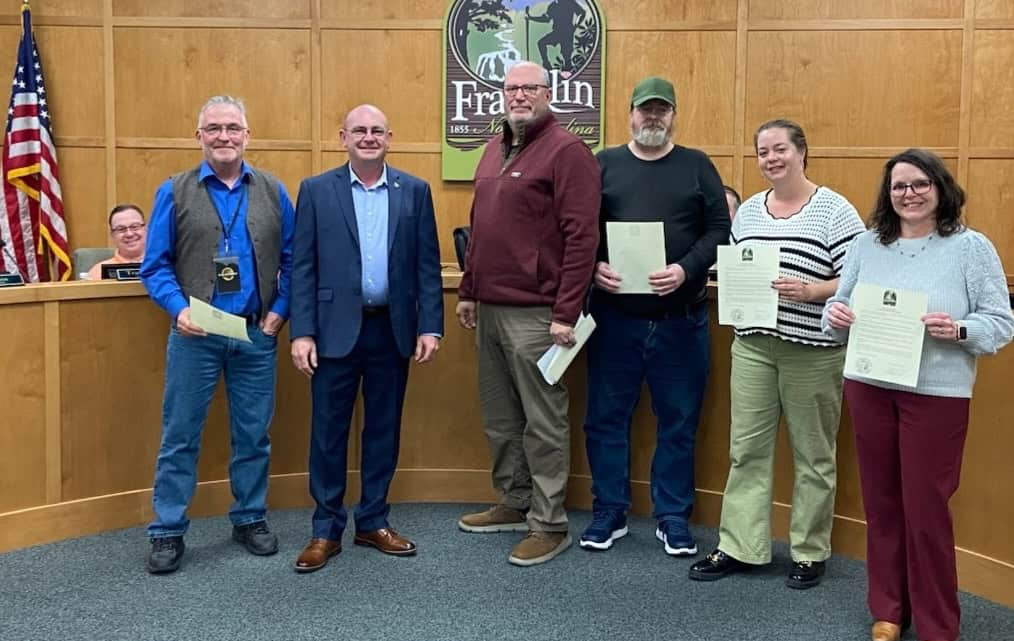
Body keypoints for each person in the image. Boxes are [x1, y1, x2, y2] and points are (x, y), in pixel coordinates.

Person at [823, 149, 1013, 641]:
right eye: (899, 186)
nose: (909, 194)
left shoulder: (971, 248)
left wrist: (959, 329)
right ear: (888, 194)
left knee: (926, 509)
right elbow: (838, 311)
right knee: (882, 503)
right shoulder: (867, 245)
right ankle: (889, 607)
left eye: (919, 184)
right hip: (869, 387)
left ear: (940, 188)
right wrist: (836, 318)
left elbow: (1000, 322)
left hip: (936, 395)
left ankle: (936, 623)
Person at [689, 119, 866, 588]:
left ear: (802, 151)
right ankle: (740, 545)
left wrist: (812, 291)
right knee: (745, 450)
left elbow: (858, 279)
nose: (771, 158)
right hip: (753, 346)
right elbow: (737, 265)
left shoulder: (835, 210)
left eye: (780, 149)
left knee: (813, 454)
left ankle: (809, 551)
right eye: (763, 151)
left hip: (813, 350)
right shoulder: (747, 211)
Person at [139, 95, 295, 574]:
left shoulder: (272, 189)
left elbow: (293, 259)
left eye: (232, 128)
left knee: (253, 435)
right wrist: (177, 308)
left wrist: (279, 313)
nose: (223, 136)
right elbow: (155, 266)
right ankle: (167, 530)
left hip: (255, 334)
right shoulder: (175, 190)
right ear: (199, 136)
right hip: (194, 335)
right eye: (214, 128)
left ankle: (249, 517)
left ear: (248, 135)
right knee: (180, 435)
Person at [455, 60, 599, 567]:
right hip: (490, 307)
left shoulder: (568, 151)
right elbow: (479, 226)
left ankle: (548, 522)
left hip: (539, 315)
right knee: (500, 417)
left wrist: (566, 310)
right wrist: (469, 290)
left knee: (542, 421)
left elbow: (583, 237)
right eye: (511, 88)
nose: (518, 95)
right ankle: (515, 501)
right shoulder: (493, 148)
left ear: (547, 92)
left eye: (528, 88)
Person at [289, 104, 443, 573]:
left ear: (390, 137)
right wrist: (303, 332)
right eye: (360, 130)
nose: (369, 137)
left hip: (391, 329)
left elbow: (426, 266)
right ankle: (325, 529)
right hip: (333, 332)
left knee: (382, 429)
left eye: (377, 130)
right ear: (343, 137)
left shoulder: (414, 191)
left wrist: (430, 325)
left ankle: (373, 519)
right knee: (328, 434)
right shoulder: (316, 190)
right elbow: (303, 267)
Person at [579, 76, 729, 555]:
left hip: (680, 321)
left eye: (662, 110)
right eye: (646, 109)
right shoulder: (603, 164)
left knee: (679, 421)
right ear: (630, 113)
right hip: (614, 319)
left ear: (673, 116)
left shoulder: (696, 166)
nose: (653, 117)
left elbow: (719, 230)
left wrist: (686, 269)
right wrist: (593, 266)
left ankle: (671, 516)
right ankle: (609, 511)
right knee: (605, 418)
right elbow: (579, 229)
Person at [85, 204, 147, 280]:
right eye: (121, 229)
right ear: (112, 236)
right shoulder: (97, 273)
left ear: (146, 229)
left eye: (134, 227)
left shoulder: (164, 265)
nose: (129, 234)